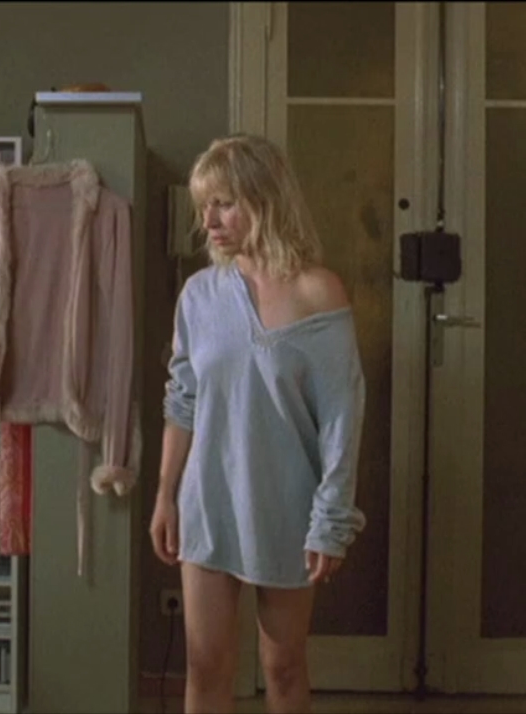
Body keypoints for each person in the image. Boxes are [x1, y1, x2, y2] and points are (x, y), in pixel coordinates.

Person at [150, 134, 367, 714]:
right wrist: (166, 494)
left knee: (284, 666)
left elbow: (342, 420)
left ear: (265, 199)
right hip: (208, 500)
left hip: (286, 505)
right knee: (205, 664)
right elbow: (183, 400)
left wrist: (331, 520)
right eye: (204, 207)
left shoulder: (318, 292)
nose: (209, 222)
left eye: (224, 204)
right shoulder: (199, 296)